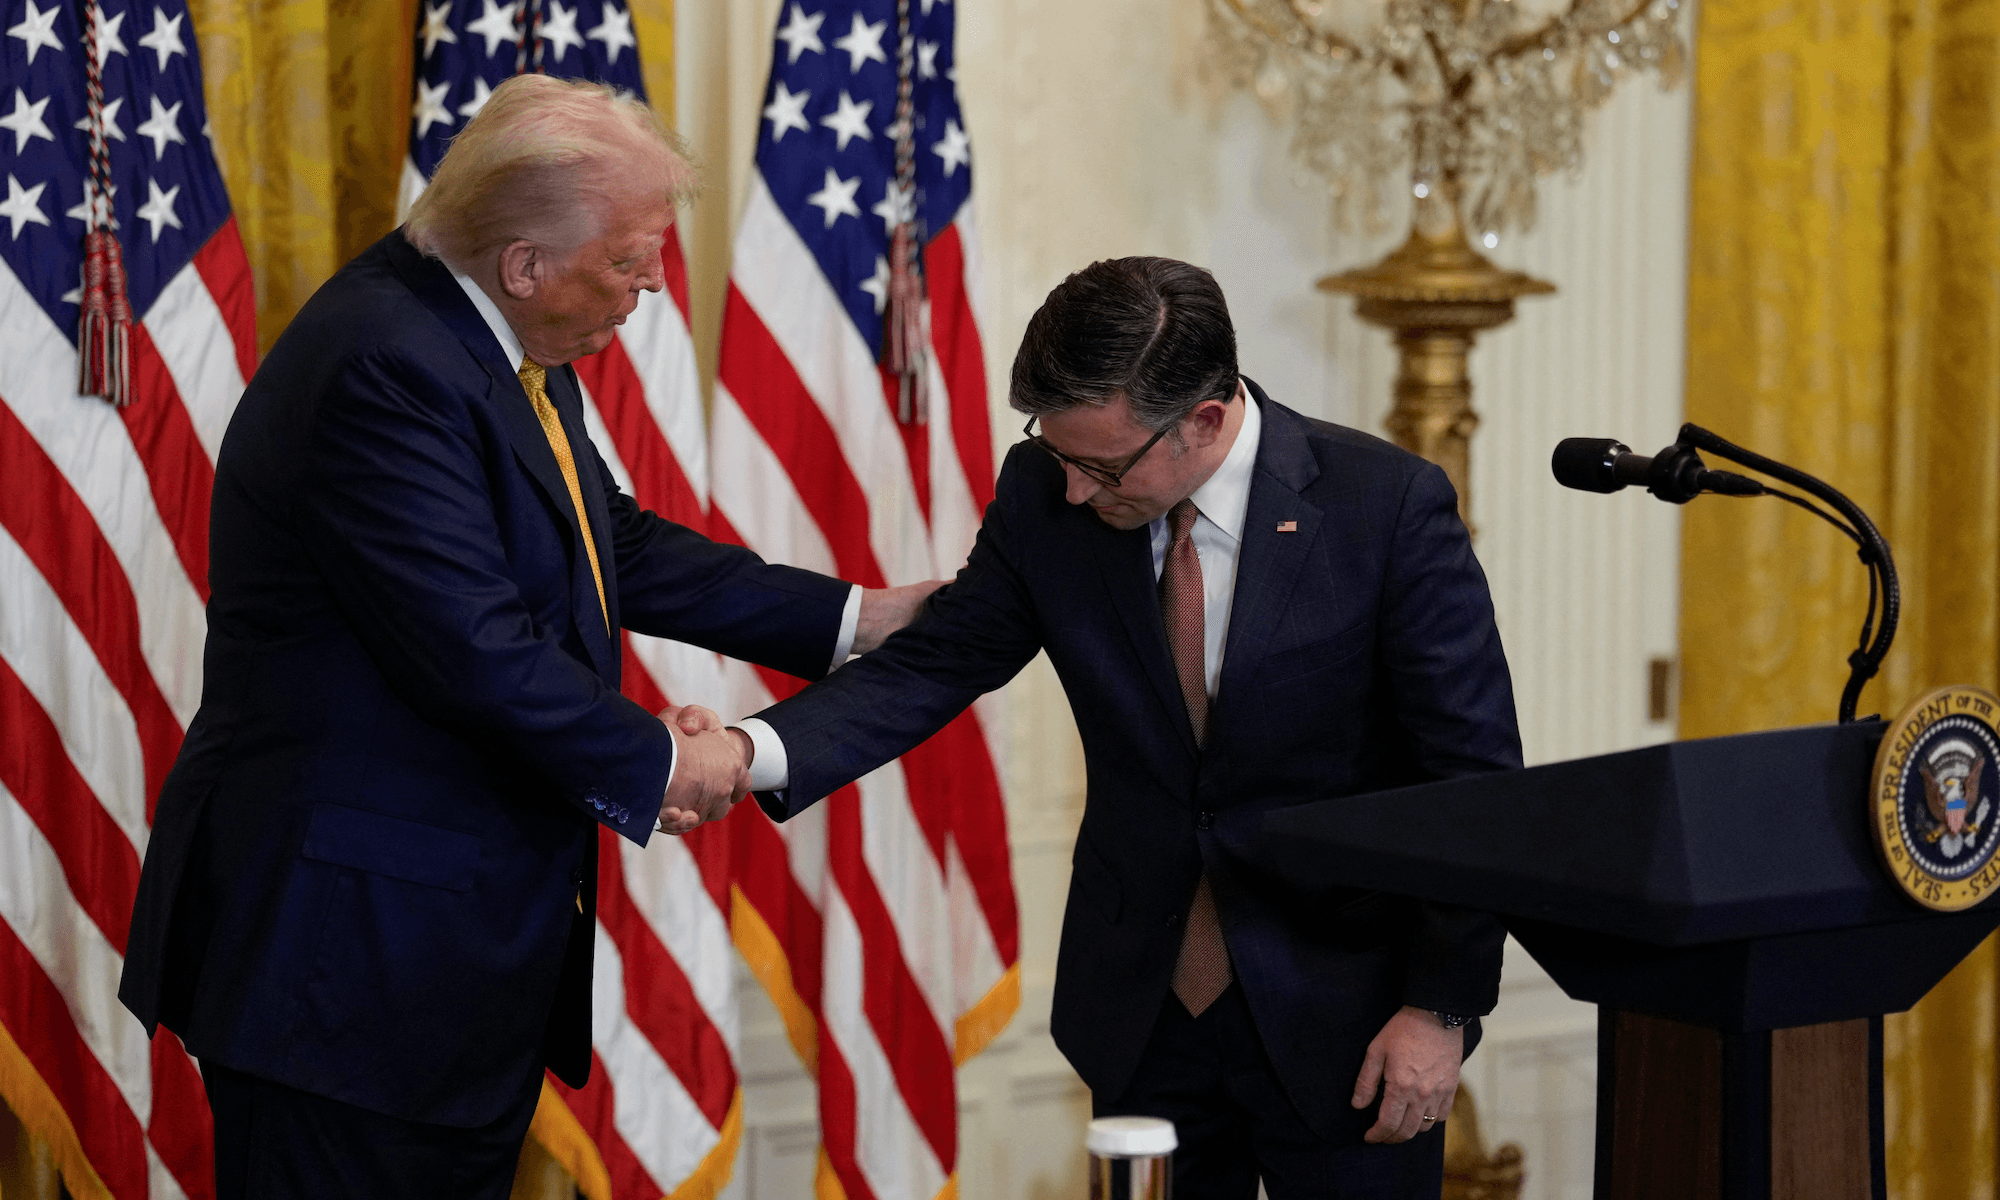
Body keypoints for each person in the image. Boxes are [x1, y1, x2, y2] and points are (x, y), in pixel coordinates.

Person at [117, 74, 932, 1199]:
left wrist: (856, 618)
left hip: (434, 969)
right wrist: (666, 762)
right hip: (345, 972)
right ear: (523, 264)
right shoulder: (384, 364)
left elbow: (612, 542)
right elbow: (476, 651)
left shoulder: (482, 339)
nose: (652, 286)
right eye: (630, 261)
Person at [701, 257, 1521, 1197]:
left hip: (1350, 1018)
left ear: (1203, 420)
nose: (1076, 494)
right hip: (1144, 1011)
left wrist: (1441, 1006)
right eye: (1057, 454)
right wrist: (746, 752)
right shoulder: (1044, 493)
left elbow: (1472, 780)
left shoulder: (1383, 506)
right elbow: (937, 662)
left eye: (1101, 466)